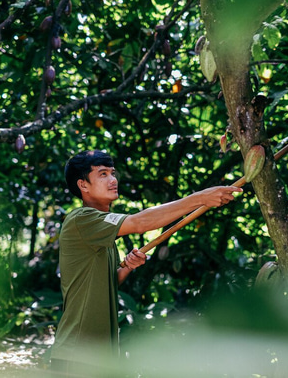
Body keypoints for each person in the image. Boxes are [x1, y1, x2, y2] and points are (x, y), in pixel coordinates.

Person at [49, 150, 242, 375]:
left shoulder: (102, 232)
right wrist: (200, 198)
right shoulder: (81, 219)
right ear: (83, 185)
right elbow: (140, 222)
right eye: (102, 174)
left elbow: (107, 285)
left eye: (112, 173)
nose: (113, 180)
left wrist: (127, 267)